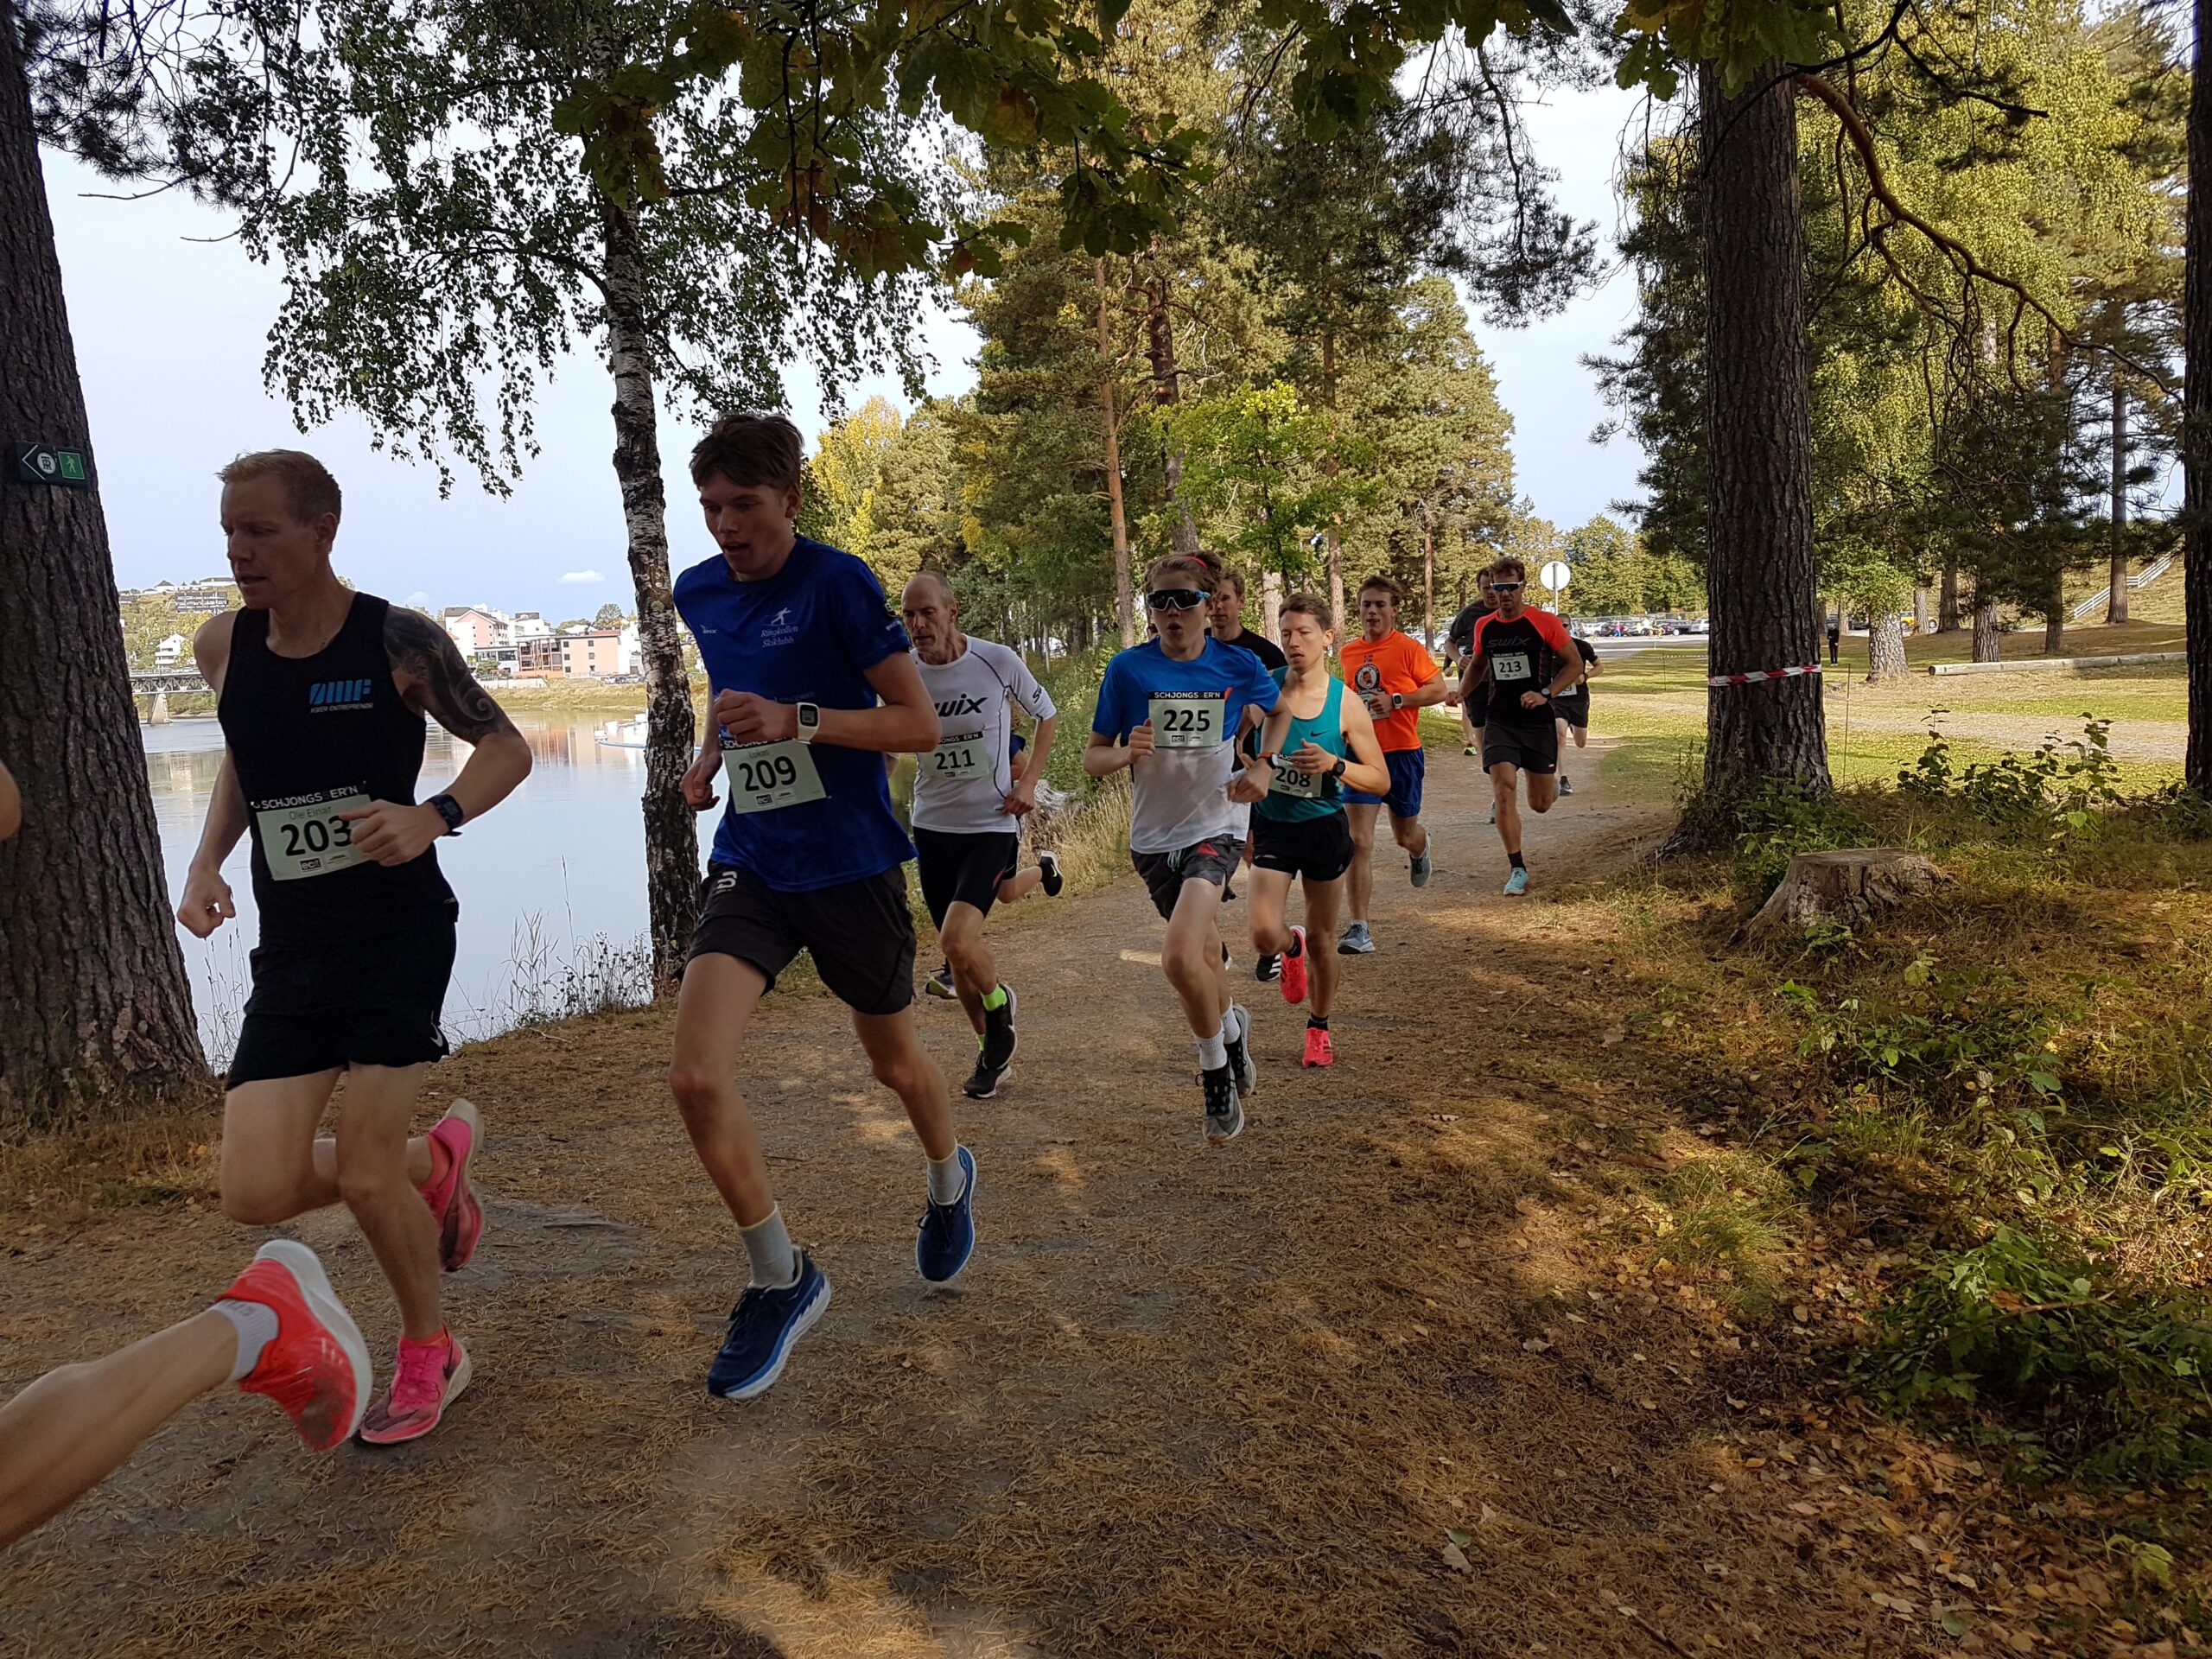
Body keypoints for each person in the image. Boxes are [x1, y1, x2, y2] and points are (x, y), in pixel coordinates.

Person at [176, 449, 531, 1446]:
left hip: (395, 931)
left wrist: (435, 815)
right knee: (252, 1186)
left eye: (260, 531)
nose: (239, 551)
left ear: (321, 531)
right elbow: (248, 767)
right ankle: (435, 1163)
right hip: (294, 947)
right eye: (229, 532)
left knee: (365, 1170)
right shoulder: (222, 647)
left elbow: (506, 747)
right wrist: (206, 863)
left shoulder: (397, 643)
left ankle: (432, 1349)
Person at [669, 412, 974, 1405]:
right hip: (754, 858)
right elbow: (732, 689)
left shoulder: (838, 583)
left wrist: (800, 721)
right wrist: (712, 757)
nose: (725, 527)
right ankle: (780, 1274)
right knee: (694, 1078)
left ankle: (947, 1176)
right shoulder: (698, 591)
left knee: (893, 1065)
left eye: (745, 507)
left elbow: (916, 725)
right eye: (710, 507)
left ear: (789, 501)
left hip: (848, 866)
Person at [1087, 554, 1278, 1142]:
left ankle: (1214, 1070)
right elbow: (1094, 758)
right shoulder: (1127, 671)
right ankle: (1231, 1028)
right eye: (1160, 601)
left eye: (1186, 600)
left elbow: (1281, 711)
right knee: (1203, 955)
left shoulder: (1238, 663)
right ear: (1149, 611)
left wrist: (1265, 766)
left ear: (1208, 604)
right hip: (1152, 837)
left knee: (1176, 956)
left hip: (1217, 824)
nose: (1173, 612)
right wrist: (1125, 751)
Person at [900, 571, 1062, 1100]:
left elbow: (1047, 714)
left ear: (953, 611)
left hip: (991, 823)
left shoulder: (997, 660)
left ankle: (1000, 1007)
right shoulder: (902, 672)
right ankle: (993, 1049)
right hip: (932, 824)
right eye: (908, 615)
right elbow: (884, 739)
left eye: (927, 612)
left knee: (955, 941)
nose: (918, 625)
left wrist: (1030, 781)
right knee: (961, 963)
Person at [1235, 597, 1390, 1069]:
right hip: (1274, 827)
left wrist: (1336, 764)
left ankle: (1319, 1027)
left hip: (1324, 827)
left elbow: (1380, 779)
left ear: (1327, 637)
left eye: (1304, 632)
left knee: (1324, 938)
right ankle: (1289, 946)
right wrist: (1246, 763)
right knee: (1264, 935)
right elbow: (1234, 739)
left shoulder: (1346, 704)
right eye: (1285, 633)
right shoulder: (1266, 690)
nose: (1293, 642)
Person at [1335, 575, 1448, 954]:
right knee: (1358, 841)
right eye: (1366, 605)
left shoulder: (1408, 648)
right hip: (1361, 755)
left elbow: (1439, 690)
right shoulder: (1348, 652)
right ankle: (1359, 928)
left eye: (1380, 605)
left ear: (1394, 610)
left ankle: (1419, 848)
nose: (1372, 611)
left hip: (1402, 753)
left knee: (1404, 834)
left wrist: (1397, 701)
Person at [1462, 556, 1585, 894]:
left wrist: (1546, 693)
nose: (1503, 594)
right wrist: (1461, 693)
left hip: (1537, 723)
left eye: (1510, 587)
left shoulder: (1544, 622)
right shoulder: (1484, 626)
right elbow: (1477, 665)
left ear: (1523, 587)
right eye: (1497, 587)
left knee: (1540, 804)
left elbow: (1574, 665)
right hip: (1500, 718)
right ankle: (1517, 869)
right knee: (1502, 789)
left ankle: (1550, 785)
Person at [1444, 571, 1497, 762]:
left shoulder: (1512, 610)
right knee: (1479, 725)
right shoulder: (1469, 614)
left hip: (1506, 682)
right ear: (1479, 589)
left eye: (1494, 586)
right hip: (1476, 680)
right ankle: (1486, 759)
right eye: (1485, 588)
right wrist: (1458, 659)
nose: (1491, 592)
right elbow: (1449, 642)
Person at [1550, 629, 1601, 796]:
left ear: (1569, 627)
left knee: (1581, 742)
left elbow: (1599, 667)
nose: (1560, 628)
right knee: (1559, 735)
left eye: (1564, 625)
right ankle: (1563, 779)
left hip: (1578, 699)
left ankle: (1574, 724)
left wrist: (1585, 676)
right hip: (1556, 698)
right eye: (1556, 625)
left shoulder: (1582, 646)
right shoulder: (1545, 648)